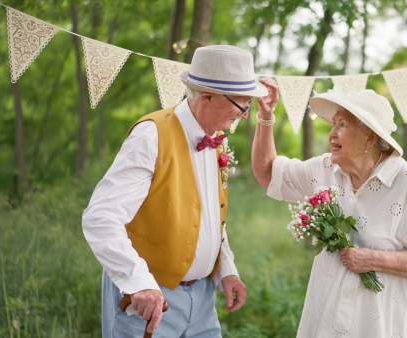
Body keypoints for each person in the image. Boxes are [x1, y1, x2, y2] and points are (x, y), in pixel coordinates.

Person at [82, 45, 271, 337]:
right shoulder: (151, 135)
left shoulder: (218, 140)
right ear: (207, 97)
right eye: (242, 104)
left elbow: (211, 217)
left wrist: (226, 270)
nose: (246, 114)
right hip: (150, 301)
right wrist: (139, 283)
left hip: (204, 302)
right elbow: (100, 217)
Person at [252, 88, 407, 337]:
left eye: (342, 124)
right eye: (333, 124)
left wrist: (374, 259)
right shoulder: (325, 168)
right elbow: (268, 173)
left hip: (379, 324)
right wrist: (265, 116)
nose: (332, 133)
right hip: (325, 317)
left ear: (370, 137)